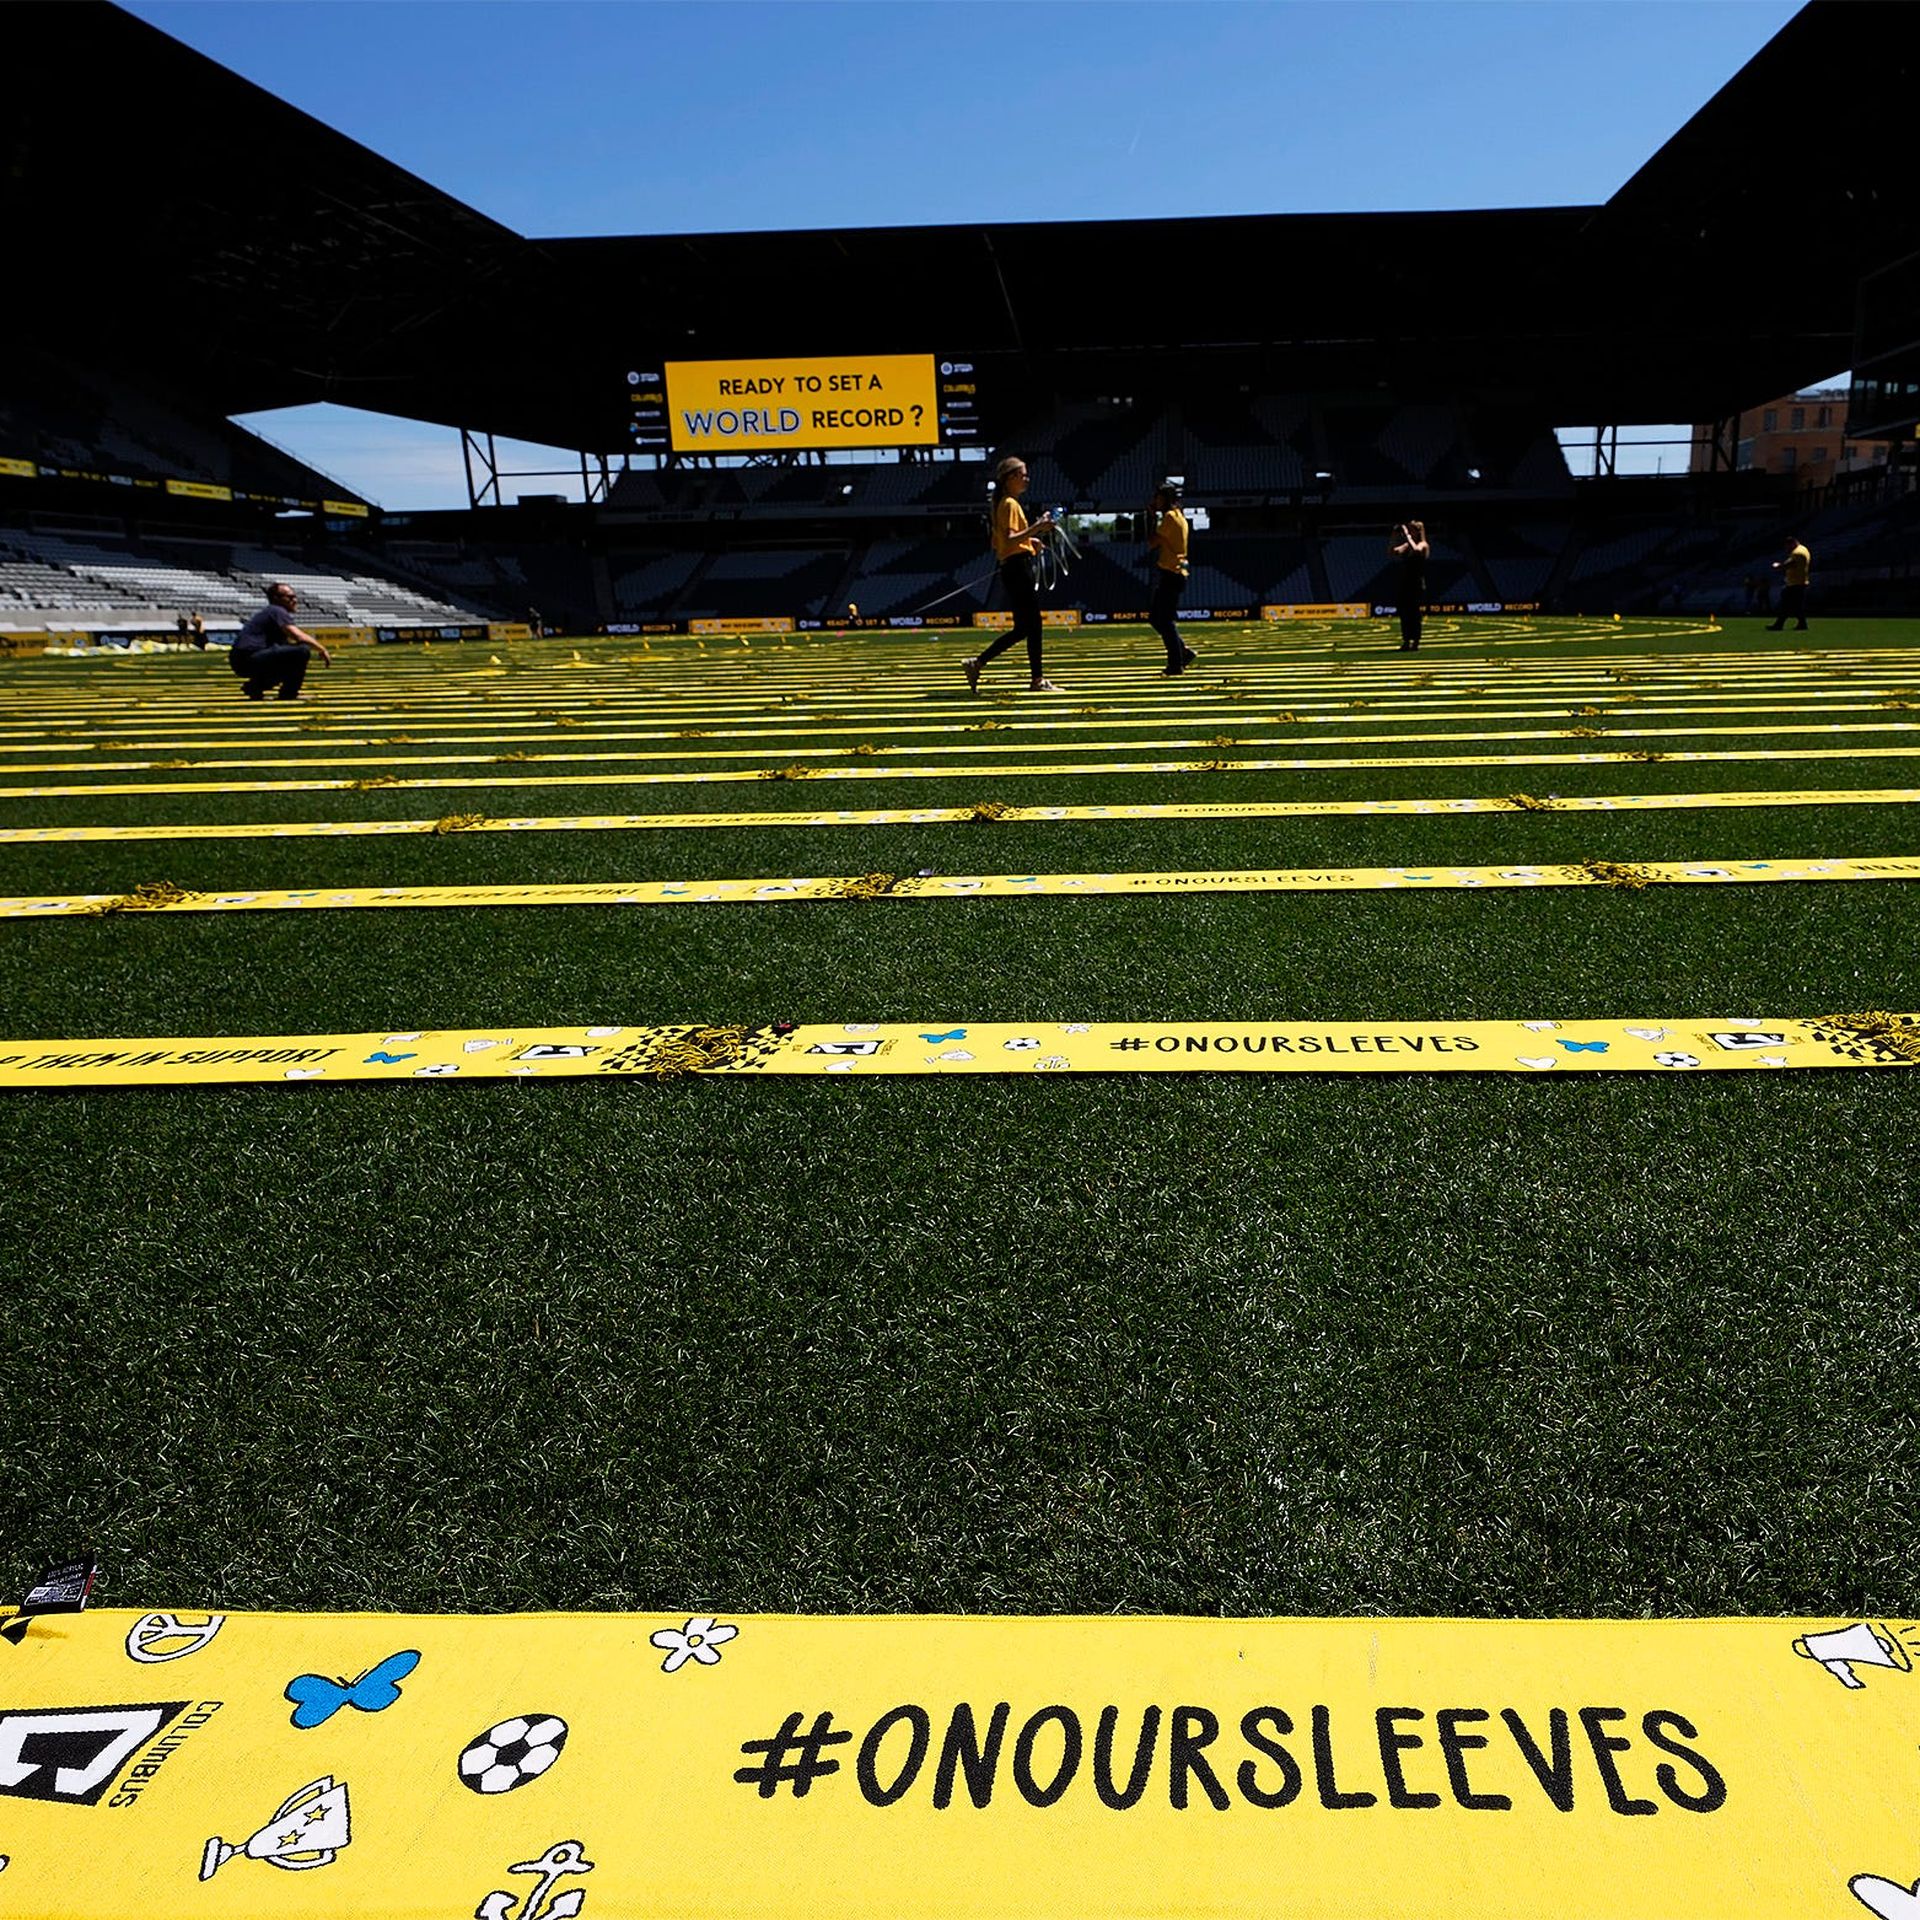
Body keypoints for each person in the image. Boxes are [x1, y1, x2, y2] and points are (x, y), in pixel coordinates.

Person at [961, 455, 1059, 694]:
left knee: (1024, 628)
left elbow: (1001, 543)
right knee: (1033, 625)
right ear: (1011, 478)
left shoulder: (1001, 505)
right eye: (1023, 474)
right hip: (1018, 568)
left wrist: (1029, 541)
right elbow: (1011, 538)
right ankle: (1037, 680)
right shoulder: (1010, 504)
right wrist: (1038, 527)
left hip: (1011, 566)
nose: (1027, 479)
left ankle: (978, 663)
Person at [229, 583, 331, 700]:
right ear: (276, 599)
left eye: (294, 597)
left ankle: (255, 687)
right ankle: (288, 693)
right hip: (250, 657)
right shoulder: (277, 610)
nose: (295, 600)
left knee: (290, 656)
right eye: (290, 597)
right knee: (302, 651)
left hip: (243, 660)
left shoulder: (271, 612)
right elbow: (298, 636)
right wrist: (322, 649)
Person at [1146, 482, 1195, 674]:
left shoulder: (1168, 517)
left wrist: (1150, 519)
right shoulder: (1179, 516)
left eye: (1157, 497)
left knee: (1162, 619)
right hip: (1177, 572)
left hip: (1170, 572)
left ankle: (1176, 663)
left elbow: (1152, 542)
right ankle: (1181, 652)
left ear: (1165, 498)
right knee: (1159, 618)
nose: (1154, 501)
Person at [1390, 519, 1429, 651]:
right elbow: (1393, 552)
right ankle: (1406, 640)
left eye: (1412, 529)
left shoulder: (1423, 545)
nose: (1409, 532)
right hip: (1405, 582)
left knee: (1414, 613)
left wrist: (1407, 535)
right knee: (1404, 612)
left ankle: (1416, 641)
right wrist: (1394, 537)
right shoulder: (1408, 545)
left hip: (1416, 583)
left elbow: (1417, 550)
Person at [1767, 535, 1811, 631]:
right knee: (1796, 606)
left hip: (1795, 583)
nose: (1787, 549)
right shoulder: (1803, 549)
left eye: (1788, 546)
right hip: (1799, 582)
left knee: (1785, 605)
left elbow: (1790, 565)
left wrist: (1778, 566)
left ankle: (1779, 625)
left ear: (1792, 543)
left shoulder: (1797, 553)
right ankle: (1802, 624)